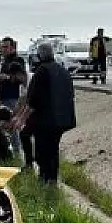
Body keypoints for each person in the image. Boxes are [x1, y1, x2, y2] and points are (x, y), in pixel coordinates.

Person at [12, 42, 76, 184]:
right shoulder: (63, 71)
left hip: (45, 121)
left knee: (42, 150)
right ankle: (52, 179)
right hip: (63, 119)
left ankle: (44, 178)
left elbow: (32, 101)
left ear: (39, 55)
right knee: (53, 149)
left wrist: (21, 120)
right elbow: (70, 95)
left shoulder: (41, 71)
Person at [0, 36, 27, 155]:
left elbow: (21, 77)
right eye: (1, 47)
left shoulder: (17, 60)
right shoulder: (5, 61)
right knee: (6, 124)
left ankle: (17, 151)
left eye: (5, 47)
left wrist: (7, 77)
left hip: (13, 97)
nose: (3, 49)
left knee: (13, 124)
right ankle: (12, 149)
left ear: (12, 48)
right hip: (4, 96)